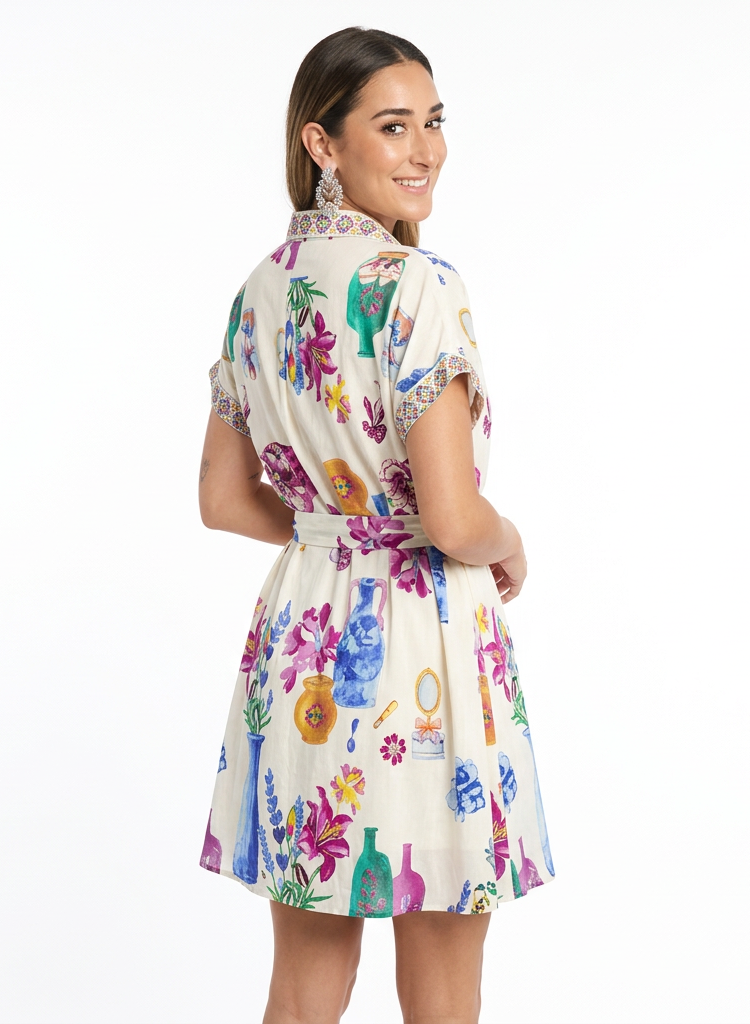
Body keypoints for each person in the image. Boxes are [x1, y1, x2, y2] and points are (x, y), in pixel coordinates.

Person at [197, 27, 555, 1024]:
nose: (425, 150)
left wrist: (333, 531)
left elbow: (223, 499)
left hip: (305, 645)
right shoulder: (417, 285)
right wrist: (509, 539)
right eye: (393, 127)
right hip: (422, 654)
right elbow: (452, 518)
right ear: (322, 143)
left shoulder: (259, 292)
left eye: (434, 123)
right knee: (442, 988)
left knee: (303, 987)